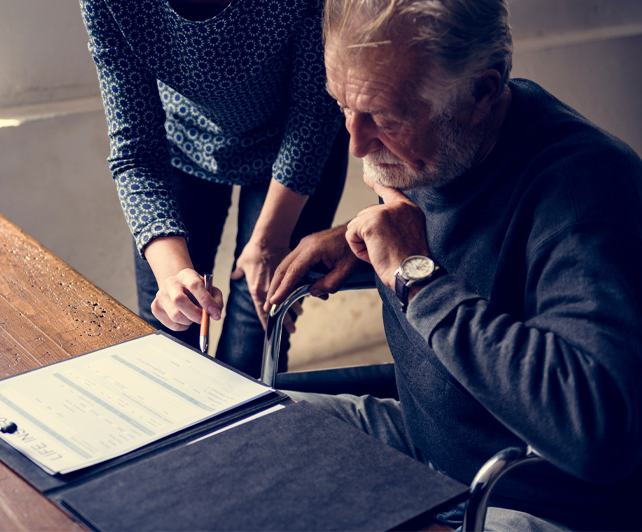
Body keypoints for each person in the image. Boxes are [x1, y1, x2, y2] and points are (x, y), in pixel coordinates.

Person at [264, 0, 642, 530]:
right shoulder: (437, 152)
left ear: (480, 95)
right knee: (248, 435)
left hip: (532, 500)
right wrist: (361, 238)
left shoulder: (586, 195)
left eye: (384, 116)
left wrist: (415, 274)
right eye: (341, 105)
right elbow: (473, 249)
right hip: (427, 446)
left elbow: (599, 434)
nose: (354, 144)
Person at [79, 0, 349, 378]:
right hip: (184, 141)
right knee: (170, 338)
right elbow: (135, 151)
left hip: (298, 146)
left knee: (253, 348)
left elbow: (314, 110)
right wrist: (174, 276)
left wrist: (269, 241)